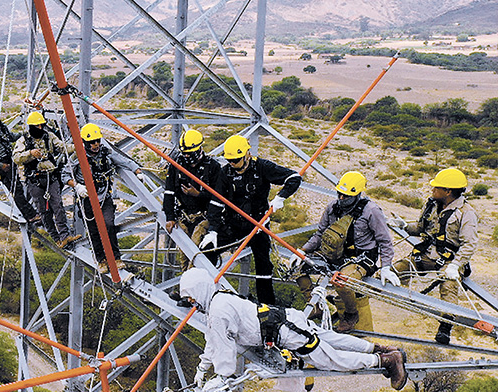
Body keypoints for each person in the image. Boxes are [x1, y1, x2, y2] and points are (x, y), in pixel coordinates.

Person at [178, 268, 407, 391]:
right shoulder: (220, 300)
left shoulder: (217, 312)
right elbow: (214, 341)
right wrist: (202, 367)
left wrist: (222, 376)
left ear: (198, 291)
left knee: (333, 361)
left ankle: (387, 360)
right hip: (288, 318)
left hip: (288, 334)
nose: (192, 304)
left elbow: (223, 349)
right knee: (332, 339)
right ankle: (380, 348)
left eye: (190, 298)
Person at [202, 134, 302, 305]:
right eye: (230, 160)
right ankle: (206, 295)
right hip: (233, 223)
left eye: (236, 160)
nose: (233, 164)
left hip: (258, 224)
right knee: (207, 252)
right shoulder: (226, 173)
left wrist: (280, 197)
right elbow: (216, 203)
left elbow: (294, 178)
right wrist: (212, 231)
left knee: (264, 265)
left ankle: (267, 305)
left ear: (247, 154)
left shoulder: (262, 167)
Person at [295, 171, 398, 333]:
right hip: (335, 255)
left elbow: (385, 241)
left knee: (342, 282)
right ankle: (315, 307)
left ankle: (351, 315)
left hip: (361, 258)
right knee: (297, 268)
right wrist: (301, 252)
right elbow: (320, 234)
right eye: (340, 194)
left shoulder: (371, 211)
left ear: (357, 195)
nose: (341, 199)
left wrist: (386, 266)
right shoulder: (332, 208)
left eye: (346, 196)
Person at [390, 168, 480, 345]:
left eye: (436, 188)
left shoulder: (466, 213)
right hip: (426, 253)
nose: (432, 190)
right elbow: (421, 228)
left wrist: (455, 265)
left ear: (447, 191)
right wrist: (404, 226)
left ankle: (445, 326)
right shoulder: (432, 204)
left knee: (449, 286)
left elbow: (469, 244)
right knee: (398, 268)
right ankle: (353, 302)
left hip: (450, 259)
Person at [70, 123, 144, 270]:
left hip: (105, 197)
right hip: (87, 199)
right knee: (93, 231)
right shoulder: (77, 157)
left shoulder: (106, 153)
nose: (96, 144)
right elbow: (65, 174)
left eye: (98, 141)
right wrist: (76, 186)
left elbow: (123, 161)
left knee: (109, 225)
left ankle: (116, 258)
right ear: (85, 143)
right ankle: (101, 259)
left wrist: (137, 170)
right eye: (92, 142)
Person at [13, 111, 74, 246]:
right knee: (44, 211)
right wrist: (30, 153)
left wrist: (78, 147)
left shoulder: (49, 137)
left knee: (57, 206)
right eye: (37, 126)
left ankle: (65, 235)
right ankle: (56, 237)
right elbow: (16, 158)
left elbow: (62, 148)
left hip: (50, 178)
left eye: (41, 126)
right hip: (35, 180)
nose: (40, 129)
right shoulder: (24, 140)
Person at [162, 128, 221, 267]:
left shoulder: (212, 167)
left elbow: (218, 197)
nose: (187, 157)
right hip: (184, 215)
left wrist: (199, 195)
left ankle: (192, 283)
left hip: (204, 217)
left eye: (189, 154)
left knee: (195, 252)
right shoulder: (177, 165)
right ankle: (187, 283)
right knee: (184, 256)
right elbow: (169, 192)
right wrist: (169, 217)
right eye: (184, 154)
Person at [0, 104, 40, 225]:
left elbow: (10, 137)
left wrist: (24, 134)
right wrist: (1, 166)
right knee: (16, 190)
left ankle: (32, 212)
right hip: (0, 166)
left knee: (19, 187)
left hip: (9, 161)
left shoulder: (1, 127)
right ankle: (30, 215)